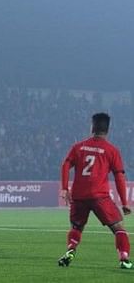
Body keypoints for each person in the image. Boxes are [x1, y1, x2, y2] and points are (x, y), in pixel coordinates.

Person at [58, 112, 132, 269]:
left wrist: (64, 188)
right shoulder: (112, 150)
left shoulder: (78, 147)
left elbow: (65, 165)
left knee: (76, 227)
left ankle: (70, 250)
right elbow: (119, 177)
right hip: (99, 196)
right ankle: (124, 258)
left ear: (92, 127)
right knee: (119, 228)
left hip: (79, 196)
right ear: (108, 129)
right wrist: (124, 203)